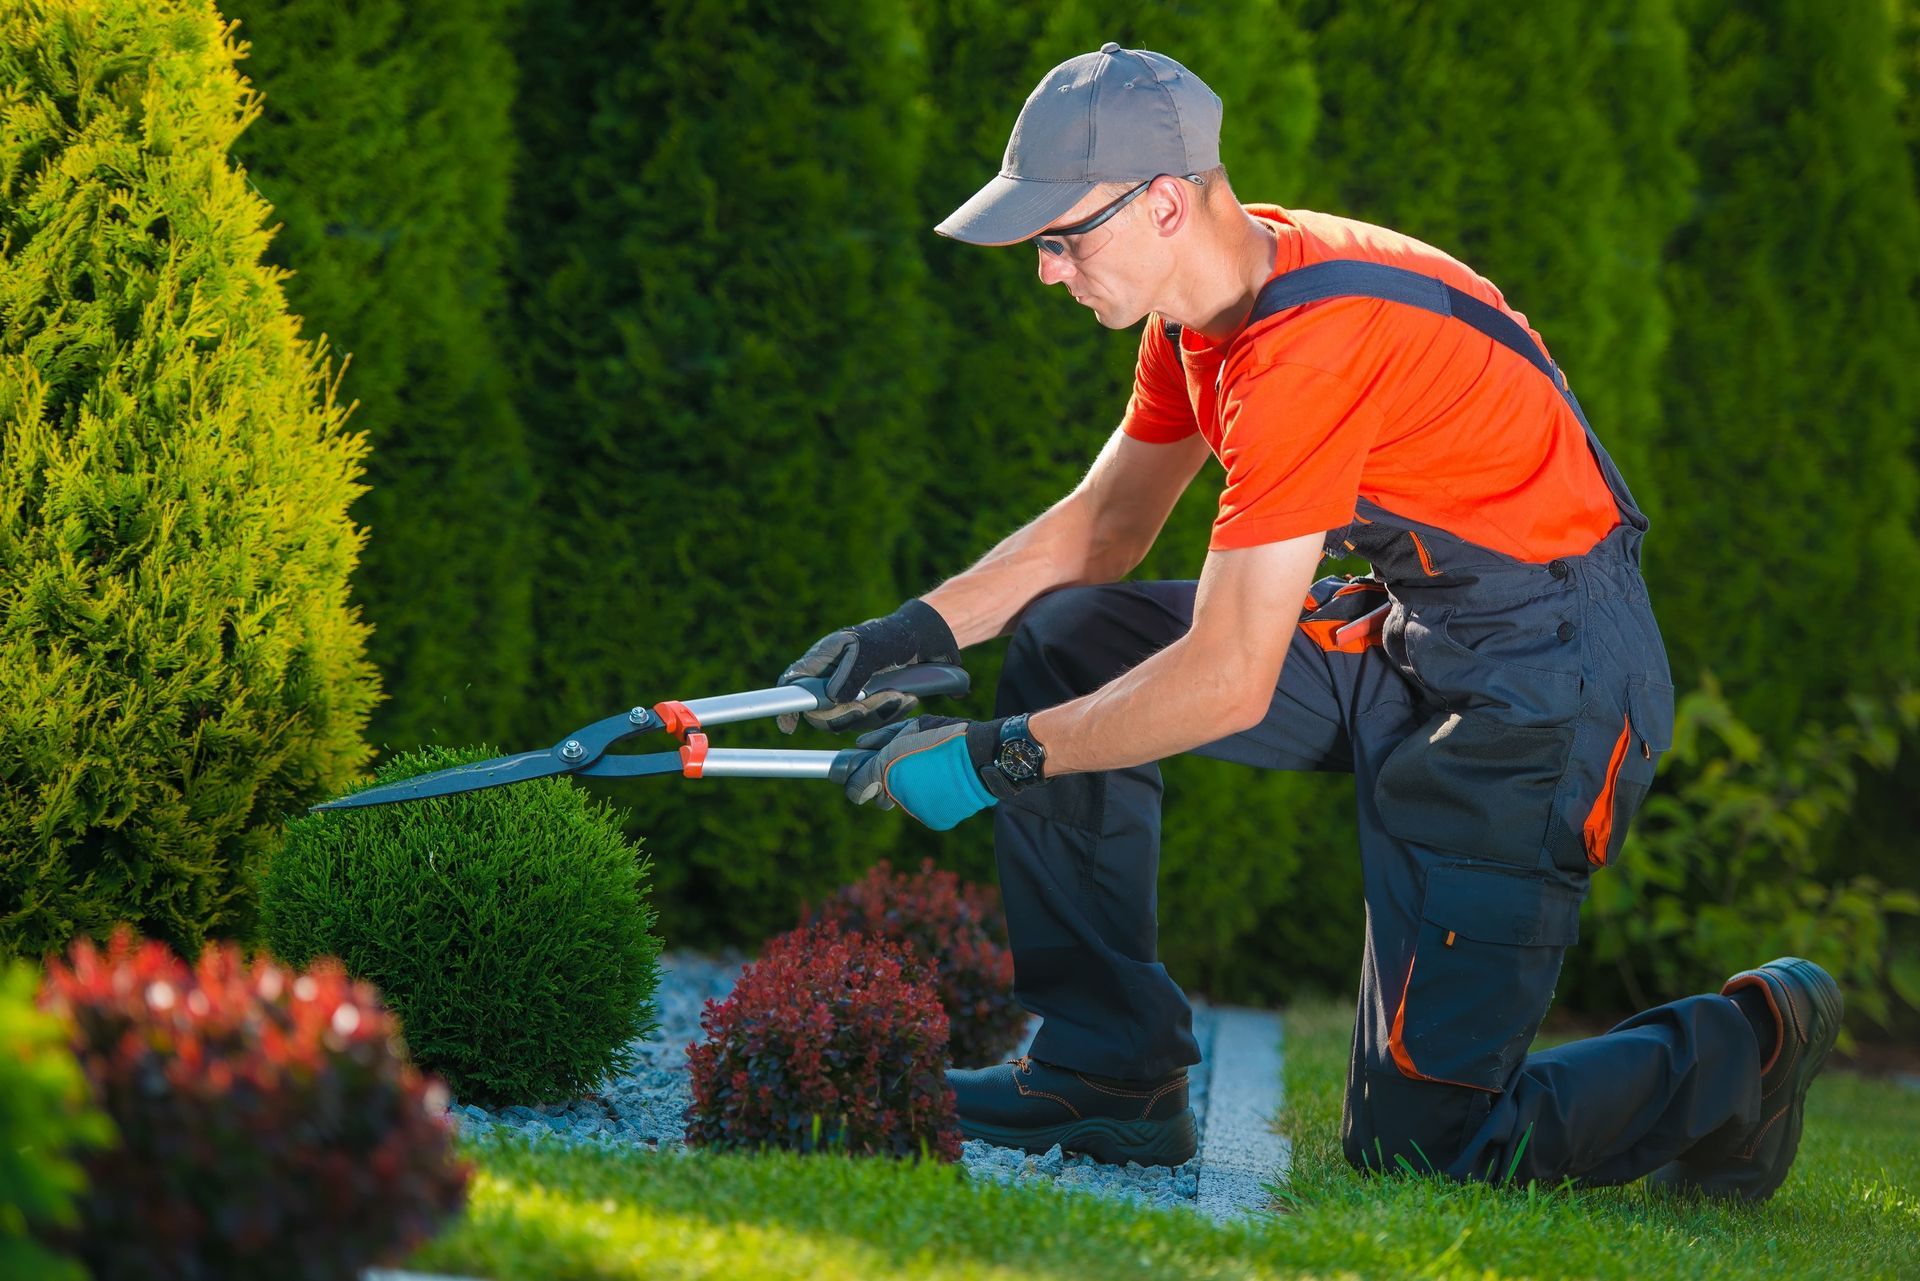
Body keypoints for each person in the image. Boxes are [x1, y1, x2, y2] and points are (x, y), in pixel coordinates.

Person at [775, 43, 1839, 1199]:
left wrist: (1001, 755)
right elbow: (1105, 526)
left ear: (1165, 202)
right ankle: (1108, 1073)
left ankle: (1754, 1042)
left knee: (1427, 1151)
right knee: (1073, 635)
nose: (1046, 270)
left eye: (1060, 238)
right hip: (1414, 634)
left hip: (1549, 691)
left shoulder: (1305, 349)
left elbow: (1228, 677)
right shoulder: (1202, 318)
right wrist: (910, 634)